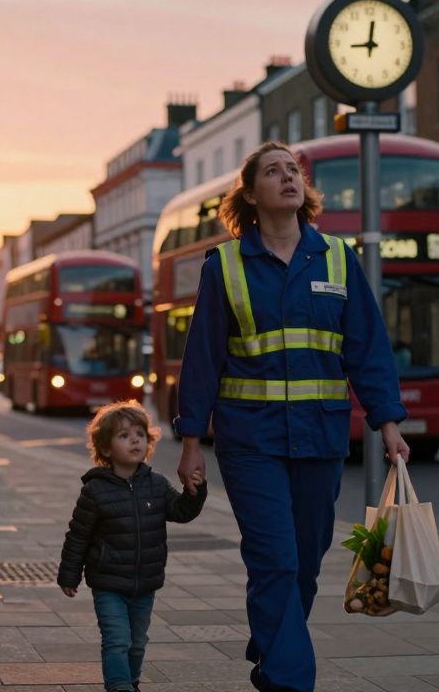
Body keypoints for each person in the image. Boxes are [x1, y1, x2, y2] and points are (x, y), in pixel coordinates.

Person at [172, 142, 411, 692]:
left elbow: (366, 346)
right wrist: (190, 439)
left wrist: (388, 422)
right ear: (251, 195)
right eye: (273, 171)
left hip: (320, 437)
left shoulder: (335, 256)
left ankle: (270, 641)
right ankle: (288, 679)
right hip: (249, 440)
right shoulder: (225, 265)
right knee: (274, 557)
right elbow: (202, 359)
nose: (288, 177)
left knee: (305, 561)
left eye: (294, 170)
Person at [58, 400, 206, 692]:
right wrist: (69, 575)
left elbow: (180, 512)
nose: (134, 440)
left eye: (139, 433)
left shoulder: (157, 484)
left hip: (145, 583)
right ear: (106, 448)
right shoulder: (95, 490)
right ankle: (119, 686)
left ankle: (131, 681)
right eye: (124, 436)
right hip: (108, 583)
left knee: (137, 643)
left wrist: (194, 492)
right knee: (117, 639)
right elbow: (78, 536)